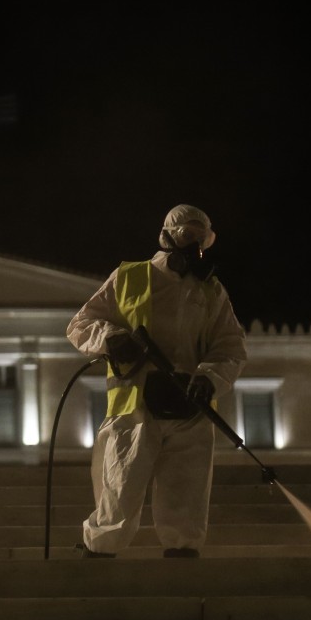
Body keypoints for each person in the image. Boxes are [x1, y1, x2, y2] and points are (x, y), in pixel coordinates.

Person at [66, 204, 247, 558]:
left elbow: (230, 346)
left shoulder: (211, 292)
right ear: (166, 237)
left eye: (200, 241)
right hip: (135, 404)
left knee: (187, 492)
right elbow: (80, 324)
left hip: (190, 409)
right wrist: (111, 339)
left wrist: (209, 378)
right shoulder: (129, 277)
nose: (194, 248)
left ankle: (182, 556)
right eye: (186, 237)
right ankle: (99, 553)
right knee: (120, 487)